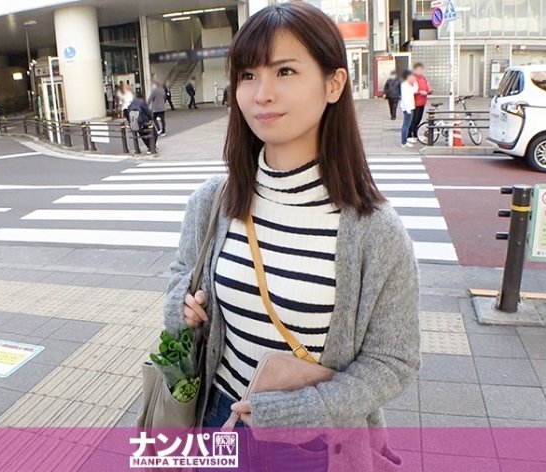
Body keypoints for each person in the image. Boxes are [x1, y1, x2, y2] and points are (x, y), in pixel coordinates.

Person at [163, 3, 419, 470]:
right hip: (218, 421)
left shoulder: (375, 230)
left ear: (333, 84)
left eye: (285, 71)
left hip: (313, 445)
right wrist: (184, 307)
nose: (262, 94)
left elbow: (393, 360)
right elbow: (181, 278)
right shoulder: (212, 202)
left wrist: (301, 412)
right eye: (248, 75)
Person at [407, 63, 432, 142]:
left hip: (422, 101)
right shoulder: (412, 78)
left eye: (421, 70)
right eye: (418, 70)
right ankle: (409, 135)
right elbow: (410, 90)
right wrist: (420, 92)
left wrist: (429, 91)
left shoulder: (423, 78)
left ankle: (415, 134)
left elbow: (427, 87)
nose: (420, 71)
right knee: (414, 119)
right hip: (415, 102)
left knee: (418, 119)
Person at [400, 70, 418, 148]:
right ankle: (404, 142)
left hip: (410, 106)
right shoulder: (404, 85)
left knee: (407, 124)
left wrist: (415, 82)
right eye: (411, 76)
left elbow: (415, 90)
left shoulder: (409, 85)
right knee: (406, 125)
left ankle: (405, 140)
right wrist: (408, 109)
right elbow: (404, 98)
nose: (413, 77)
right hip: (408, 108)